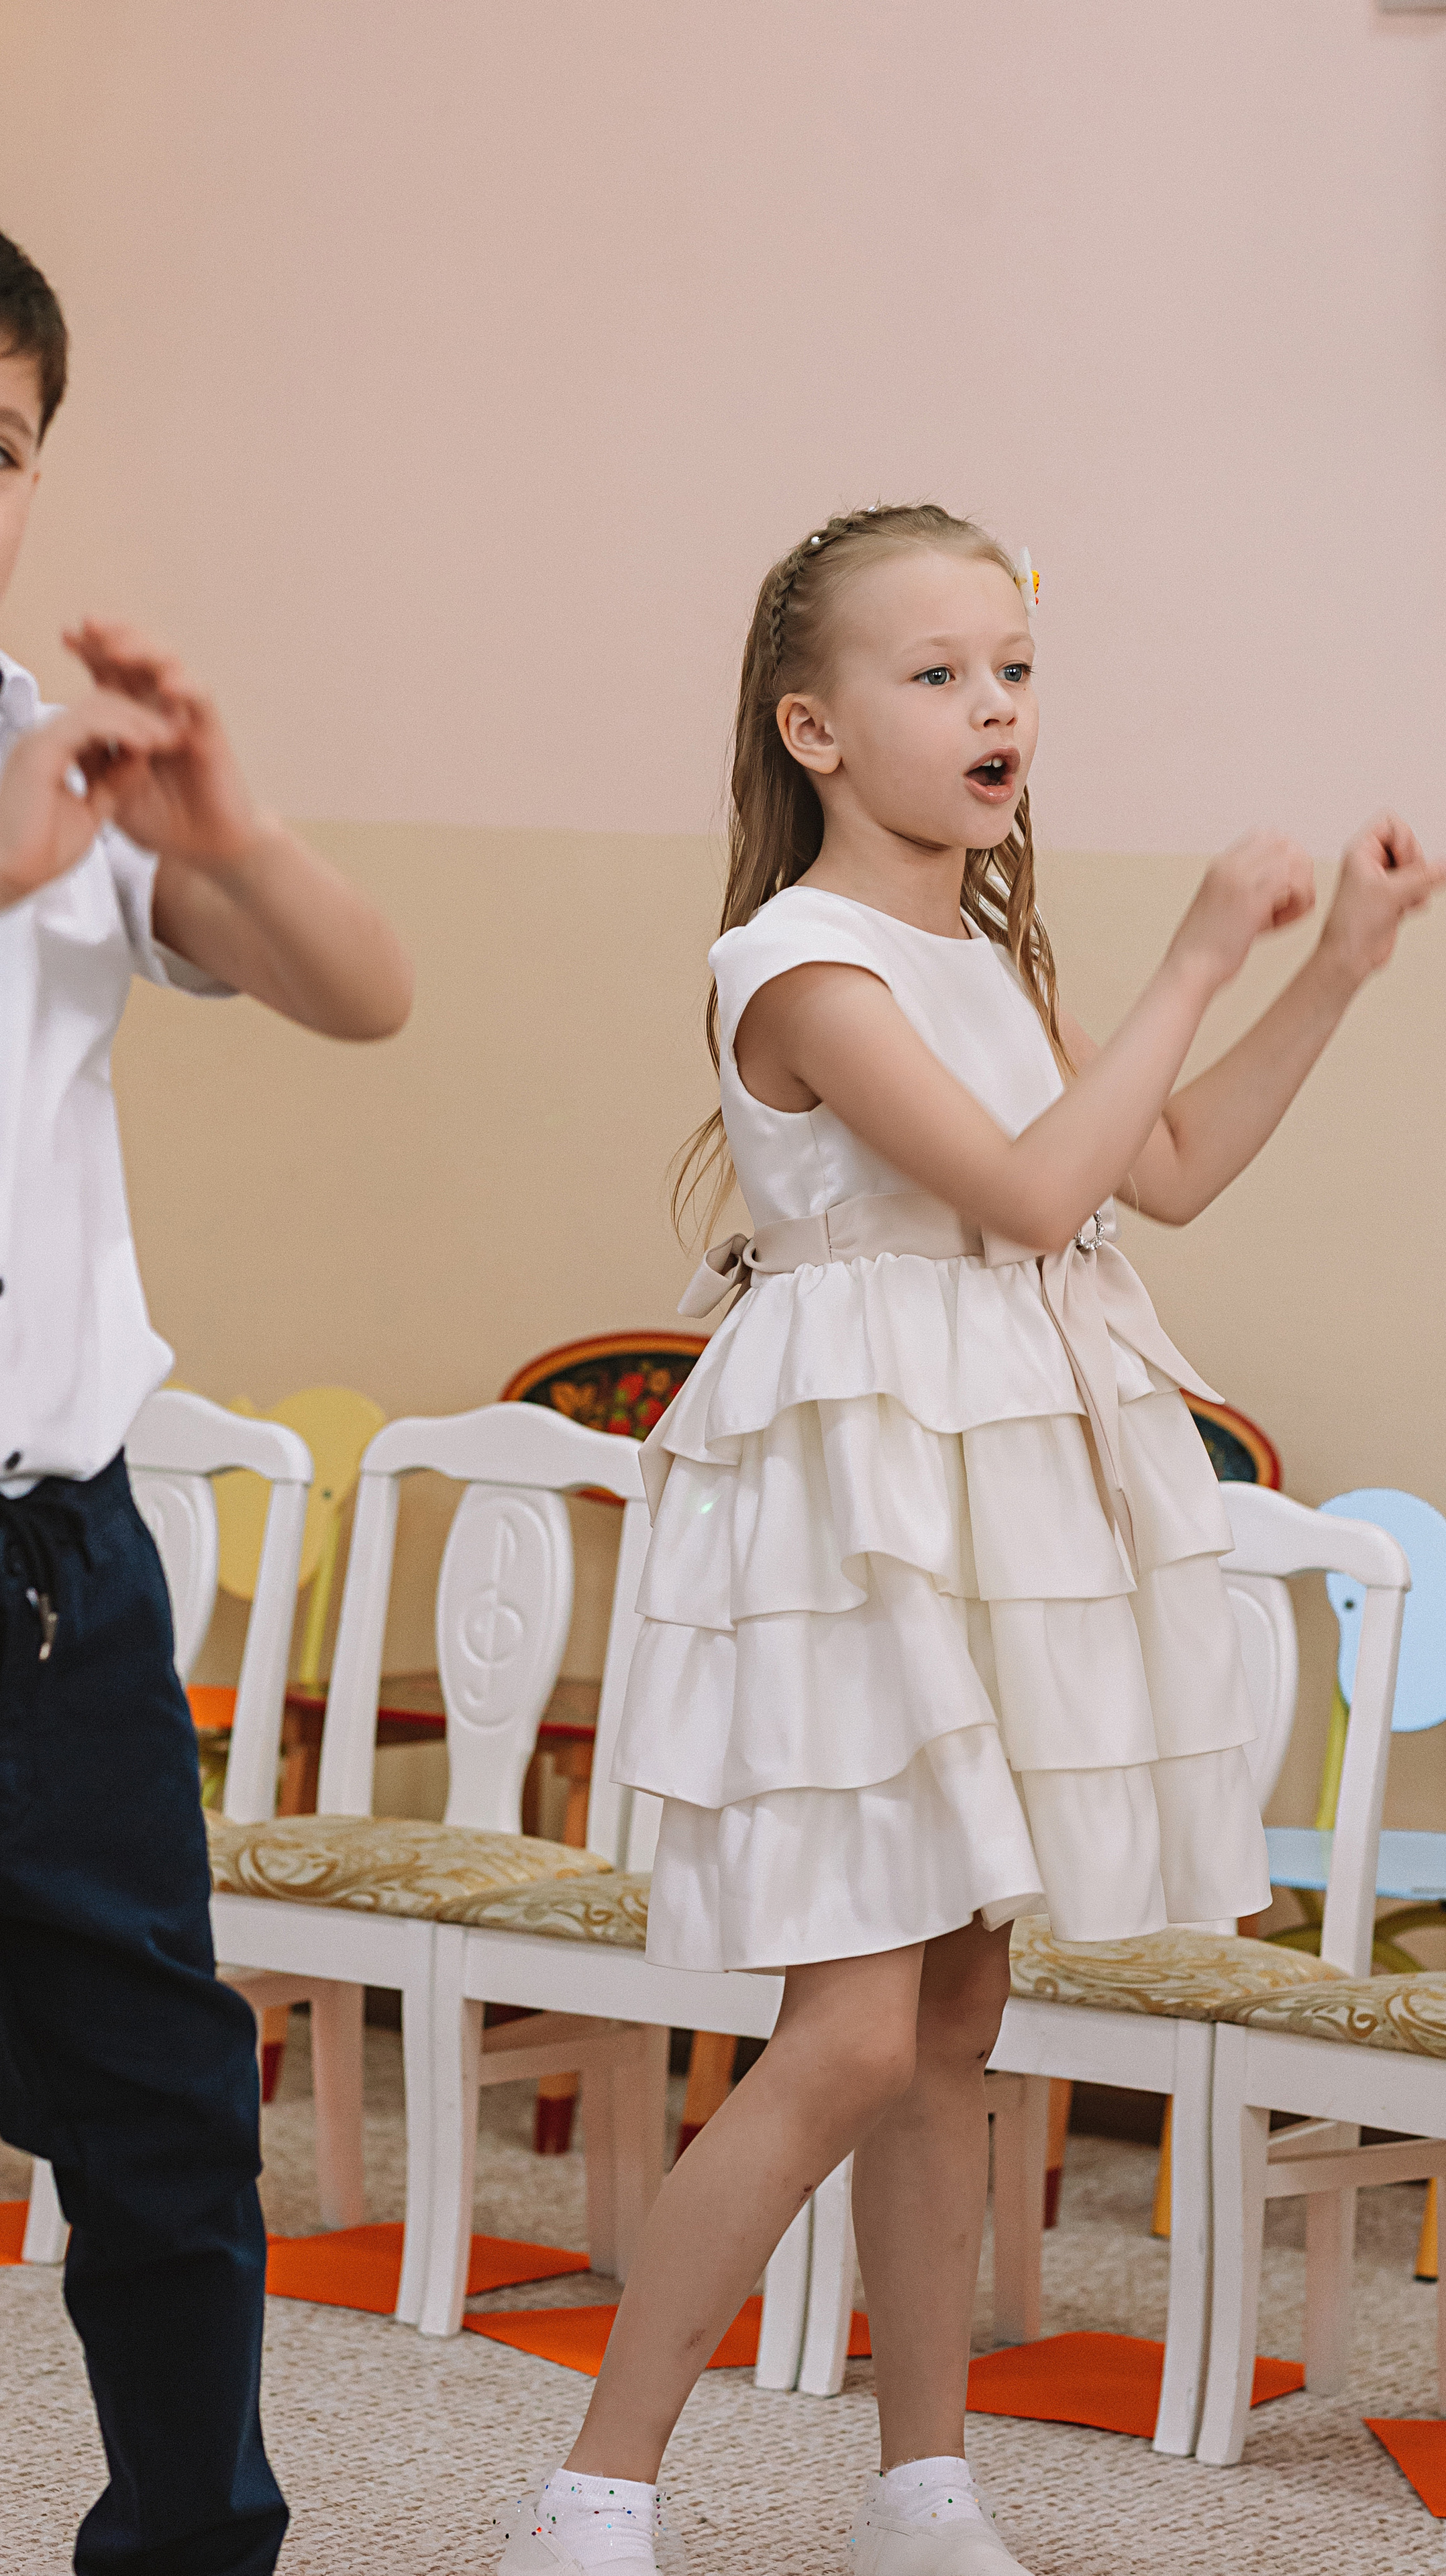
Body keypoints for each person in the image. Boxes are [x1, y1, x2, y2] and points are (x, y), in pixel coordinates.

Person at [501, 502, 1446, 2576]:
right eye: (936, 676)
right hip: (858, 1514)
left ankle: (921, 2486)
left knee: (953, 2013)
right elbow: (1030, 1199)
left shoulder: (981, 955)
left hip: (993, 1484)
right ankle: (592, 2492)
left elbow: (1164, 1166)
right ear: (816, 727)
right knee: (848, 2021)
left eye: (1011, 668)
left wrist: (1334, 970)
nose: (992, 706)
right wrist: (1203, 949)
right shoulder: (802, 965)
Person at [0, 229, 411, 2576]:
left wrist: (226, 834)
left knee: (163, 2109)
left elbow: (363, 990)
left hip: (57, 1569)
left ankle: (190, 2536)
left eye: (2, 447)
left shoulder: (53, 759)